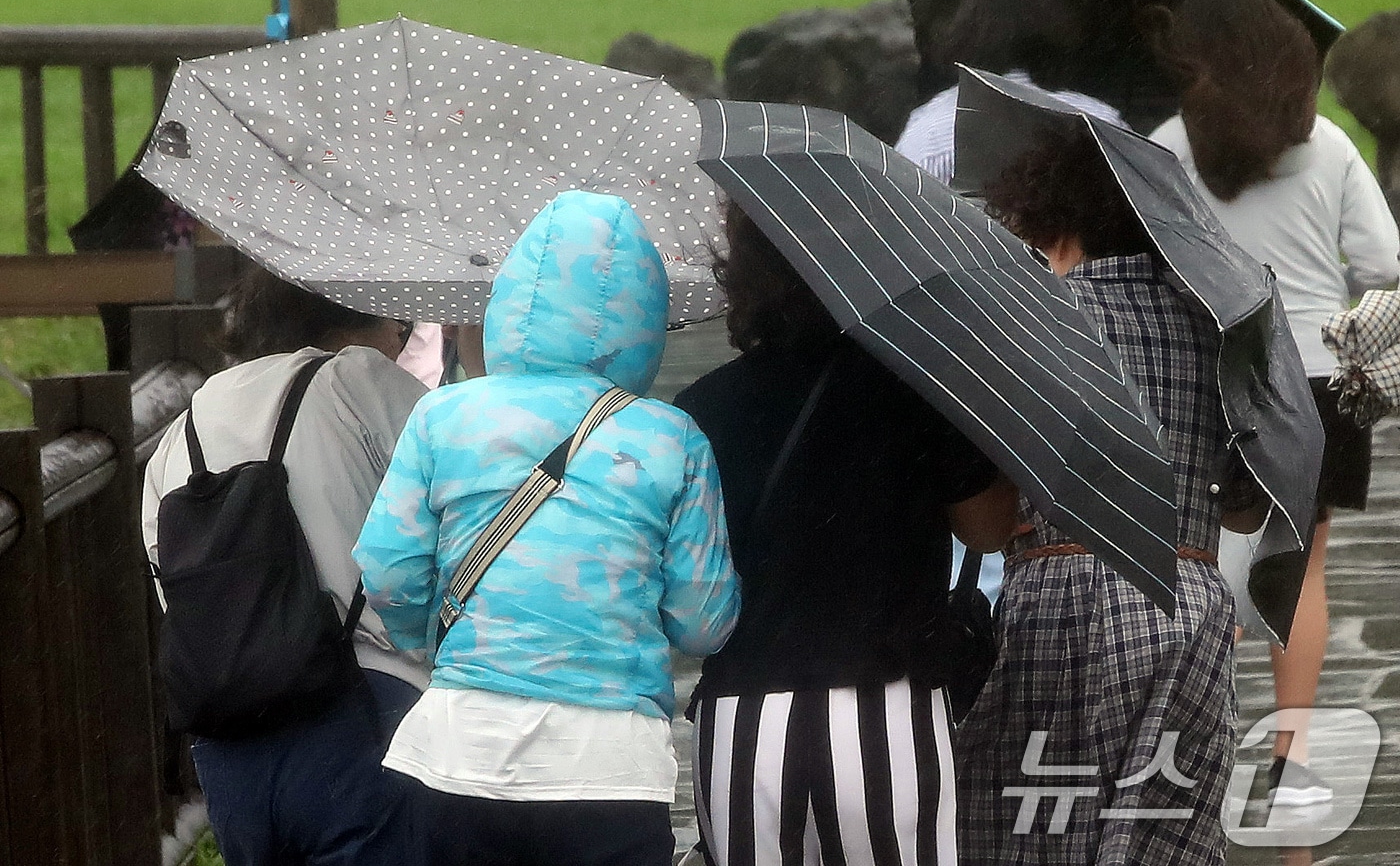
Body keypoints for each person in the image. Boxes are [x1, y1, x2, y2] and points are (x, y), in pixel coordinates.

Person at [353, 190, 740, 866]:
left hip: (460, 751)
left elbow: (387, 570)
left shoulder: (444, 416)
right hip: (612, 767)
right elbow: (702, 622)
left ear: (512, 299)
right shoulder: (672, 438)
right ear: (645, 316)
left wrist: (437, 636)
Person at [674, 201, 1019, 866]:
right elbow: (987, 530)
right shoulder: (921, 390)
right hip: (885, 707)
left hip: (743, 720)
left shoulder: (700, 409)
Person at [956, 124, 1265, 866]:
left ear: (1051, 218)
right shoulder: (1218, 327)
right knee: (1165, 833)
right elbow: (1247, 507)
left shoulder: (1029, 320)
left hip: (1058, 590)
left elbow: (990, 521)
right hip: (1187, 596)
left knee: (1036, 826)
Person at [1148, 0, 1400, 806]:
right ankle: (1290, 743)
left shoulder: (1168, 149)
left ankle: (1204, 731)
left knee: (1200, 557)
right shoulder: (1326, 146)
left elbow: (1145, 266)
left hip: (1207, 371)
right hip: (1320, 381)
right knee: (1307, 567)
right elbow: (1383, 266)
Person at [141, 268, 430, 866]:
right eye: (401, 330)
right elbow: (459, 506)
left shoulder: (178, 434)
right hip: (361, 713)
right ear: (348, 316)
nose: (403, 348)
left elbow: (172, 585)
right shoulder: (357, 379)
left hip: (230, 746)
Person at [895, 0, 1126, 184]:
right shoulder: (1101, 124)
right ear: (1059, 29)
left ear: (967, 32)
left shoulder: (927, 133)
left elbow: (905, 214)